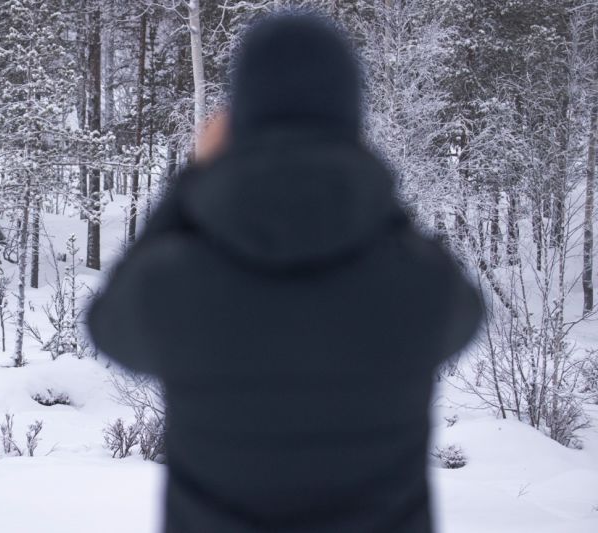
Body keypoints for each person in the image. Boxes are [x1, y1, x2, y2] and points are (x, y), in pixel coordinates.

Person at [87, 12, 483, 533]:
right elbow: (462, 308)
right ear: (349, 117)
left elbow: (107, 324)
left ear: (241, 117)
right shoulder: (418, 287)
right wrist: (360, 178)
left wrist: (192, 181)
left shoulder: (176, 284)